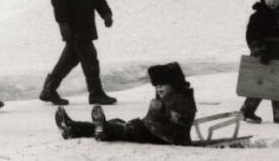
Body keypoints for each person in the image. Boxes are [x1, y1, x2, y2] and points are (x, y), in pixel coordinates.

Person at [39, 0, 117, 106]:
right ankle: (95, 93)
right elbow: (58, 2)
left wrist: (106, 14)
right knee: (90, 58)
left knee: (70, 59)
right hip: (74, 27)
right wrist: (64, 26)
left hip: (86, 24)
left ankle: (48, 90)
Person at [55, 62, 197, 145]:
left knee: (126, 128)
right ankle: (74, 128)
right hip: (152, 132)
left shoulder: (182, 99)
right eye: (157, 85)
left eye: (163, 85)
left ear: (174, 84)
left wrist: (163, 109)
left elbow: (181, 121)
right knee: (117, 123)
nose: (159, 88)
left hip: (164, 138)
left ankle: (99, 130)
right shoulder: (168, 97)